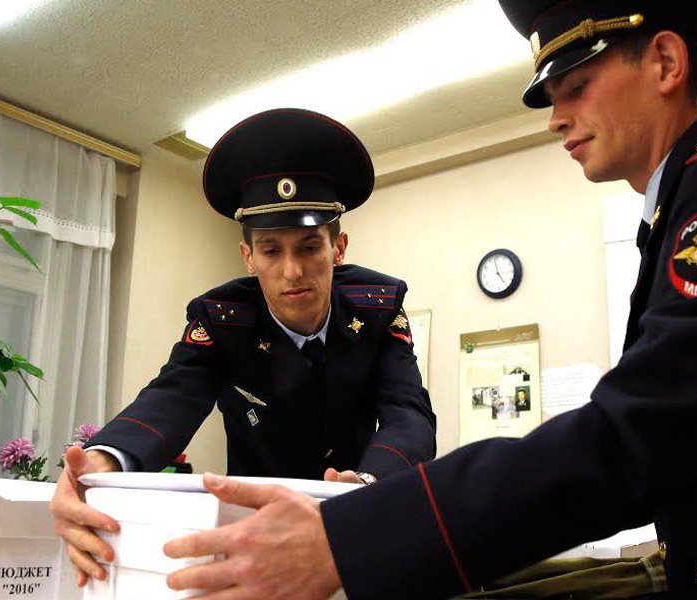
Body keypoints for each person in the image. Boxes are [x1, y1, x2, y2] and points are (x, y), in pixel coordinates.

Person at [160, 2, 697, 598]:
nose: (555, 117)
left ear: (665, 62)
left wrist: (348, 538)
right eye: (551, 96)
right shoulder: (682, 207)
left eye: (576, 87)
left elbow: (633, 437)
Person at [50, 107, 437, 586]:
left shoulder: (377, 309)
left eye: (310, 247)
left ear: (338, 249)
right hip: (254, 529)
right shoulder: (222, 320)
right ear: (248, 257)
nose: (292, 271)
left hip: (352, 517)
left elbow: (408, 413)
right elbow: (173, 397)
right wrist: (101, 463)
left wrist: (365, 485)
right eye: (272, 250)